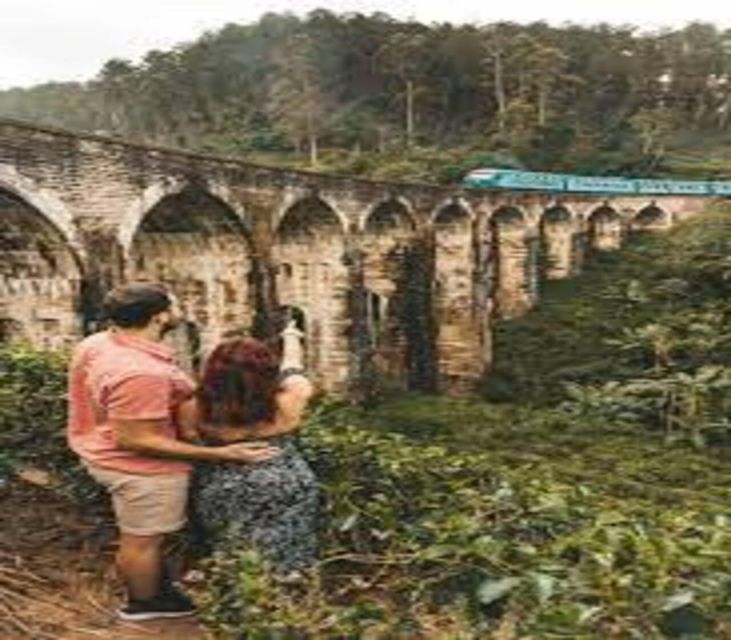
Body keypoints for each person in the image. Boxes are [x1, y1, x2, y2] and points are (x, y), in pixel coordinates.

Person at [66, 282, 280, 621]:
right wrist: (224, 455)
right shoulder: (140, 372)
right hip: (139, 470)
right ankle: (144, 604)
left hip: (98, 446)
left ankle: (151, 587)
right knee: (142, 540)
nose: (180, 309)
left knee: (143, 537)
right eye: (175, 304)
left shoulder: (99, 342)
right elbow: (136, 439)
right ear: (159, 316)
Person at [186, 321, 318, 574]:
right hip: (285, 481)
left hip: (222, 483)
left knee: (231, 546)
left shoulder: (194, 407)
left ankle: (240, 598)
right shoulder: (291, 398)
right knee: (290, 547)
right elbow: (293, 367)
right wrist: (291, 337)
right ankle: (287, 599)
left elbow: (190, 440)